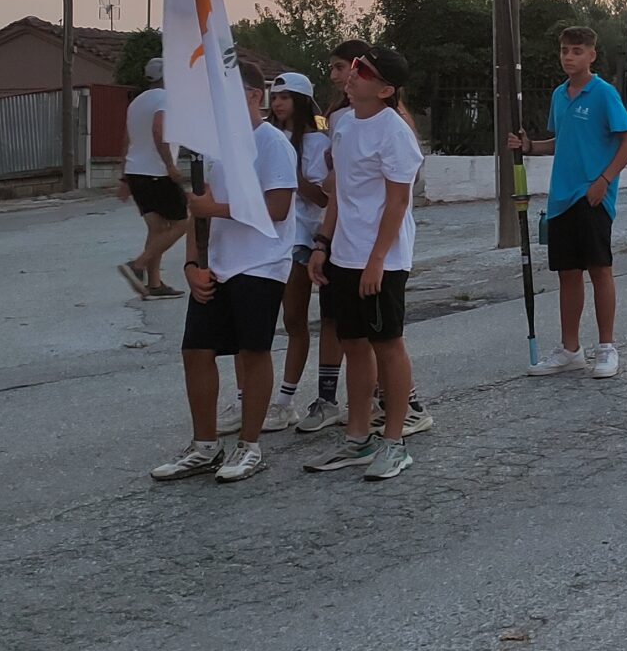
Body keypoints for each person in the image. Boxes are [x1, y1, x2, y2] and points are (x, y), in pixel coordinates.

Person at [150, 62, 299, 483]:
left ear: (253, 96)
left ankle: (249, 446)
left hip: (261, 263)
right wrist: (191, 265)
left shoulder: (271, 143)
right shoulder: (214, 147)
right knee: (196, 350)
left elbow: (278, 209)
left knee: (253, 351)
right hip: (217, 264)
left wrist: (215, 209)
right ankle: (204, 445)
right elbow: (198, 213)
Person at [303, 45, 424, 481]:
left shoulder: (394, 132)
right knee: (353, 343)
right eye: (355, 67)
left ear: (386, 89)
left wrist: (377, 261)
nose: (353, 75)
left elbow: (397, 203)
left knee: (387, 344)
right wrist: (322, 244)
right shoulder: (344, 126)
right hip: (344, 253)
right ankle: (358, 437)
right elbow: (340, 194)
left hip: (383, 259)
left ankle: (394, 442)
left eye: (365, 72)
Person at [509, 26, 627, 379]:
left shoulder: (604, 94)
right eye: (565, 50)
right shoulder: (559, 95)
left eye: (577, 51)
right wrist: (530, 147)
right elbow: (562, 140)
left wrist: (604, 180)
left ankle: (607, 347)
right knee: (567, 274)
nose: (569, 57)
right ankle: (570, 350)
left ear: (591, 55)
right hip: (561, 198)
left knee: (599, 269)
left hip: (593, 195)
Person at [262, 73, 336, 432]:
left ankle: (285, 400)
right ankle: (250, 399)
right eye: (275, 97)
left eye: (286, 97)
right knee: (265, 320)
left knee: (295, 319)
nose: (278, 103)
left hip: (303, 238)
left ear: (302, 101)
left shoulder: (318, 142)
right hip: (267, 237)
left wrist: (293, 177)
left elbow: (324, 198)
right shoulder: (266, 138)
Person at [117, 59, 189, 299]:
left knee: (157, 228)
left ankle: (154, 284)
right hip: (157, 173)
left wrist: (124, 178)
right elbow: (159, 130)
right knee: (183, 223)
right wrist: (170, 165)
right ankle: (137, 265)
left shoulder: (136, 103)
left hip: (136, 172)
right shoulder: (165, 98)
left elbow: (127, 139)